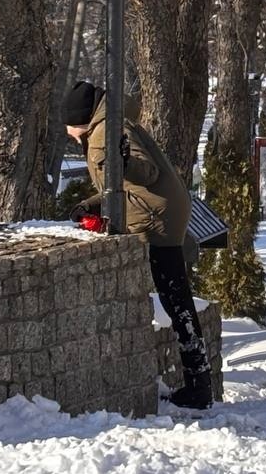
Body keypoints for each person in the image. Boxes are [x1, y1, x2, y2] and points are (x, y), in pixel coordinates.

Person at [64, 81, 213, 410]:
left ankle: (198, 386)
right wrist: (93, 203)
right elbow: (119, 186)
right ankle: (199, 382)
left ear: (80, 120)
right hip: (159, 212)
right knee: (176, 298)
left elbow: (144, 173)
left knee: (176, 300)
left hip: (155, 219)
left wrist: (123, 163)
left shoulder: (106, 132)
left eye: (69, 127)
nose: (69, 134)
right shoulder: (110, 126)